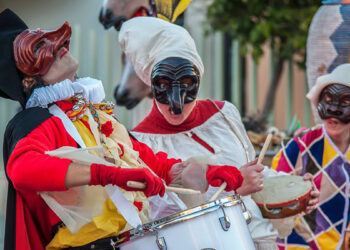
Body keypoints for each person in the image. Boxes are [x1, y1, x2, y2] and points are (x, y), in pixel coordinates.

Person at [0, 9, 244, 250]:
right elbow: (21, 170)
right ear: (28, 80)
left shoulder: (90, 114)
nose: (58, 45)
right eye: (37, 49)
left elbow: (152, 164)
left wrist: (206, 172)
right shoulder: (36, 120)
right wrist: (107, 174)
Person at [117, 16, 320, 250]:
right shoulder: (140, 143)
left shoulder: (223, 114)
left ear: (198, 79)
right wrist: (235, 191)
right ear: (151, 84)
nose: (176, 103)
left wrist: (292, 190)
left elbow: (250, 170)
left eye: (187, 84)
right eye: (163, 85)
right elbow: (165, 220)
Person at [272, 63, 350, 250]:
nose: (333, 110)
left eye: (345, 102)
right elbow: (272, 201)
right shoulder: (299, 148)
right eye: (328, 100)